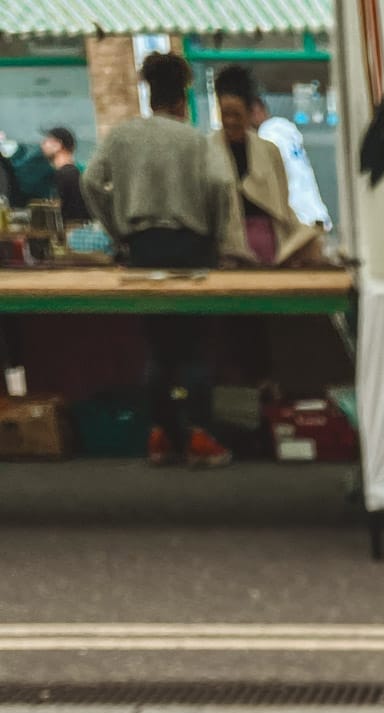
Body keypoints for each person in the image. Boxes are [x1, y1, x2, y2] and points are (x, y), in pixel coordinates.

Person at [82, 51, 232, 469]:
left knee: (158, 348)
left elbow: (90, 181)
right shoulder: (195, 140)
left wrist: (118, 230)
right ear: (183, 96)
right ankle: (200, 437)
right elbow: (221, 185)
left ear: (149, 94)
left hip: (143, 248)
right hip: (193, 246)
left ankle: (161, 436)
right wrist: (215, 235)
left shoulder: (124, 136)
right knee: (196, 348)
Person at [211, 65, 311, 265]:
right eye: (225, 114)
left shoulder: (269, 151)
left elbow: (282, 202)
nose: (230, 121)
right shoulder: (208, 150)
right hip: (226, 252)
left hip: (270, 247)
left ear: (250, 113)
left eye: (237, 115)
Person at [249, 96, 331, 230]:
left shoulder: (268, 136)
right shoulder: (286, 130)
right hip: (315, 212)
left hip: (299, 217)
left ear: (256, 111)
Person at [40, 126, 88, 222]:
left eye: (47, 141)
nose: (42, 144)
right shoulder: (73, 173)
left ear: (58, 145)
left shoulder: (67, 175)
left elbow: (72, 213)